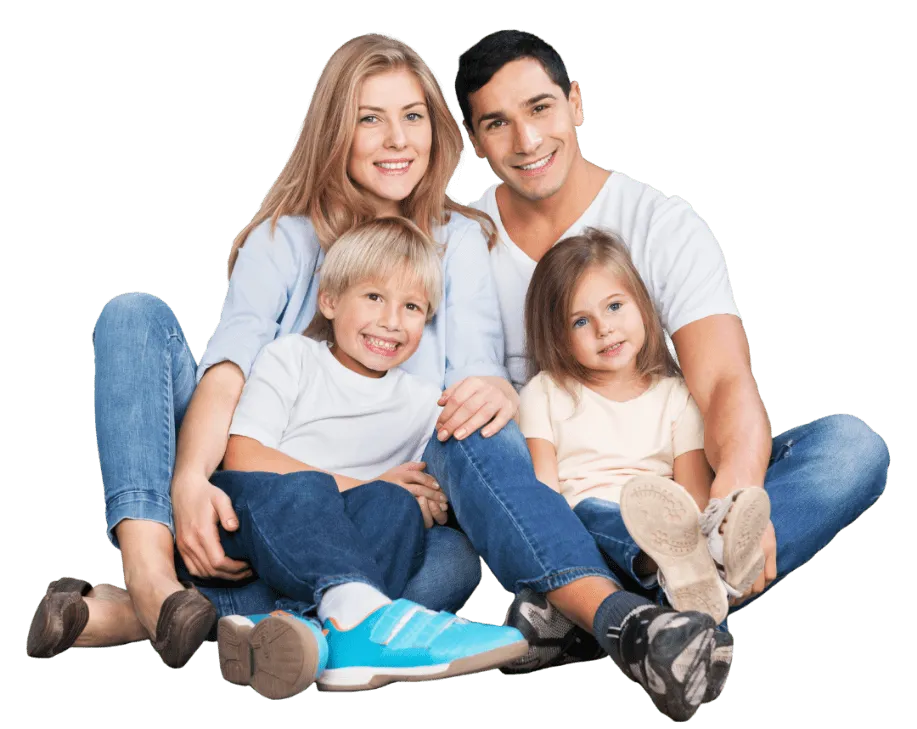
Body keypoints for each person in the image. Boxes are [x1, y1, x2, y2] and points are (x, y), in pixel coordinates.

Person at [26, 32, 517, 673]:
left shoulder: (458, 240)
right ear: (335, 132)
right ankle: (153, 581)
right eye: (370, 118)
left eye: (413, 116)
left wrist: (498, 387)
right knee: (133, 317)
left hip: (367, 512)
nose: (398, 139)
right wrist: (190, 482)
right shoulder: (286, 239)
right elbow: (228, 374)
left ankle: (178, 619)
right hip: (250, 486)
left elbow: (473, 380)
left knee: (450, 563)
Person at [446, 28, 889, 717]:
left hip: (672, 486)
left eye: (540, 108)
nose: (526, 140)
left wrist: (735, 500)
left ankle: (587, 611)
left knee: (851, 447)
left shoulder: (659, 222)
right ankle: (653, 599)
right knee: (470, 433)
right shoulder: (461, 241)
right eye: (497, 123)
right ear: (475, 140)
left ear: (575, 102)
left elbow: (721, 380)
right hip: (552, 497)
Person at [202, 217, 526, 699]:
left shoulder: (423, 403)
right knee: (318, 491)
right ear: (330, 301)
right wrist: (365, 485)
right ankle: (351, 620)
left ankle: (303, 633)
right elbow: (243, 457)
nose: (392, 321)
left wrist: (418, 499)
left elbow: (428, 495)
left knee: (401, 511)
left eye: (412, 306)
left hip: (335, 547)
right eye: (374, 297)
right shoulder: (293, 357)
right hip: (255, 522)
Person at [516, 228, 771, 630]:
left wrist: (702, 526)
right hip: (589, 543)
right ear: (558, 338)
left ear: (642, 305)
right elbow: (543, 497)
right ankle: (685, 576)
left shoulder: (676, 396)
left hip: (673, 528)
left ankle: (691, 593)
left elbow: (693, 493)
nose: (604, 328)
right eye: (581, 321)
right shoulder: (544, 392)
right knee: (592, 513)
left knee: (696, 529)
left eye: (615, 306)